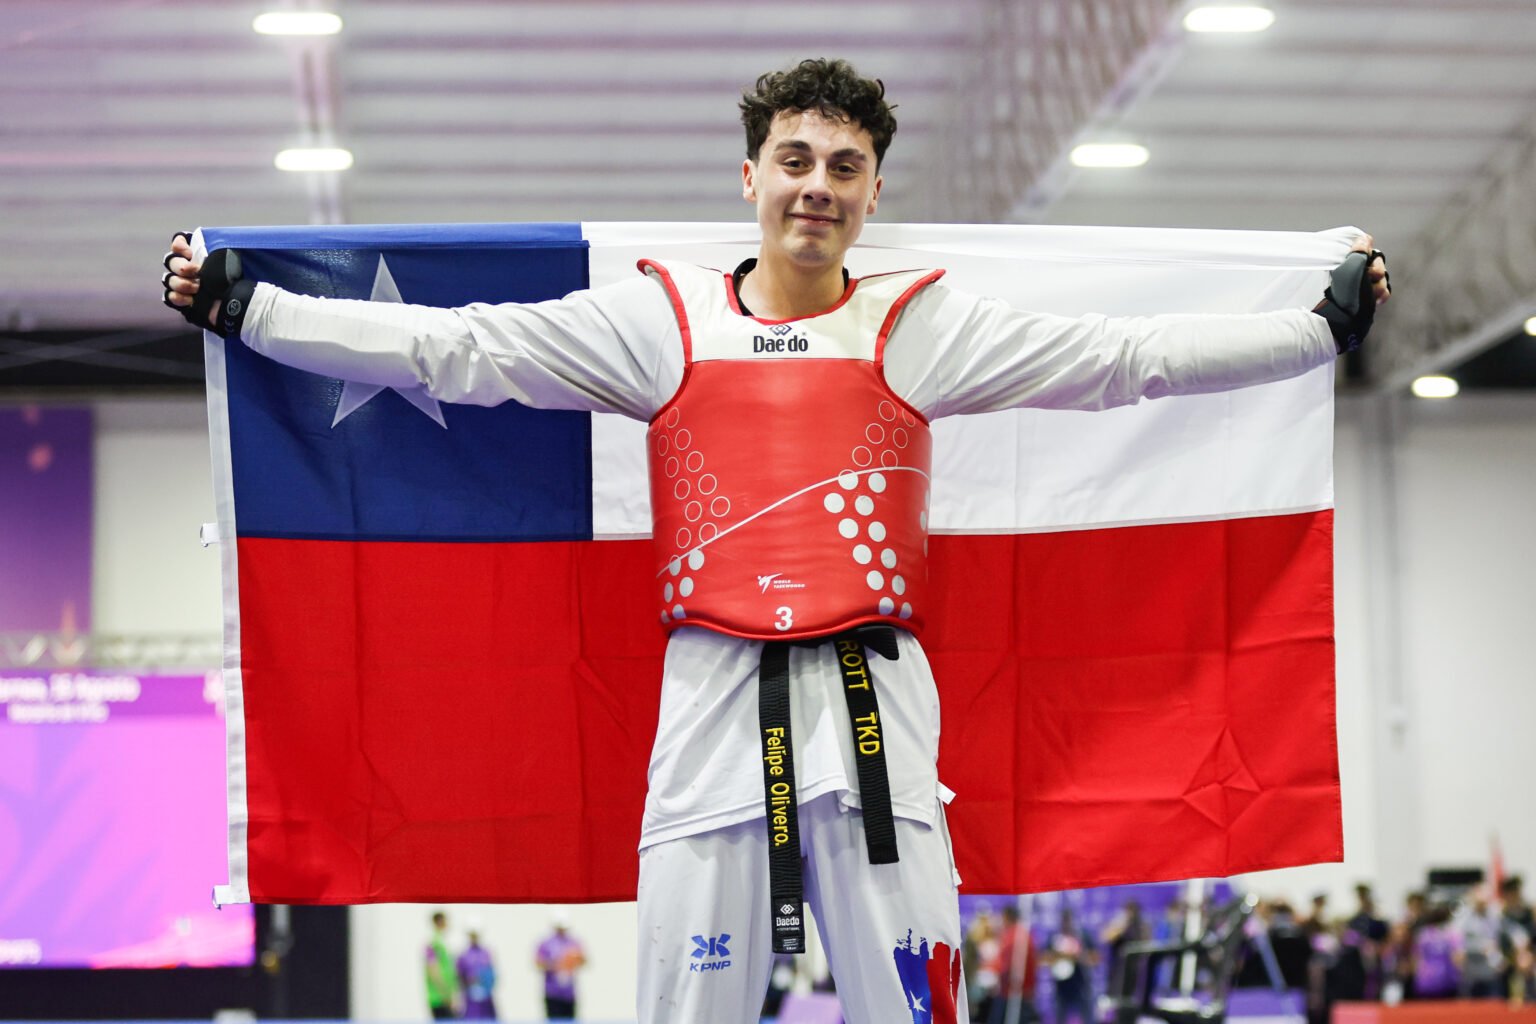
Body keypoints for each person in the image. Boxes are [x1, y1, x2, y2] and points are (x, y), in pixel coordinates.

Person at [162, 57, 1390, 1024]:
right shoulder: (660, 322)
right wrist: (250, 306)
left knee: (918, 1009)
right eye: (795, 159)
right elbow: (457, 349)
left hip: (879, 722)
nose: (818, 185)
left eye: (845, 166)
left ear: (873, 194)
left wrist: (1314, 332)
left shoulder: (923, 328)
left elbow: (1125, 360)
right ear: (749, 176)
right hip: (707, 712)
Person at [535, 916, 586, 1021]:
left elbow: (584, 960)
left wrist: (575, 960)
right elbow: (538, 962)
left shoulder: (573, 942)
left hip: (569, 992)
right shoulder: (547, 943)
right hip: (552, 992)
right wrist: (556, 964)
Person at [424, 910, 459, 1020]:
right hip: (439, 998)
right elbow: (433, 969)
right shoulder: (434, 943)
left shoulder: (442, 942)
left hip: (443, 996)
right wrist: (445, 994)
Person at [458, 927, 499, 1020]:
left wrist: (485, 983)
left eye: (476, 935)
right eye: (472, 935)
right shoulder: (463, 956)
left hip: (486, 999)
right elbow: (460, 978)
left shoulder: (486, 954)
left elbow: (491, 975)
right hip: (470, 1000)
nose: (474, 938)